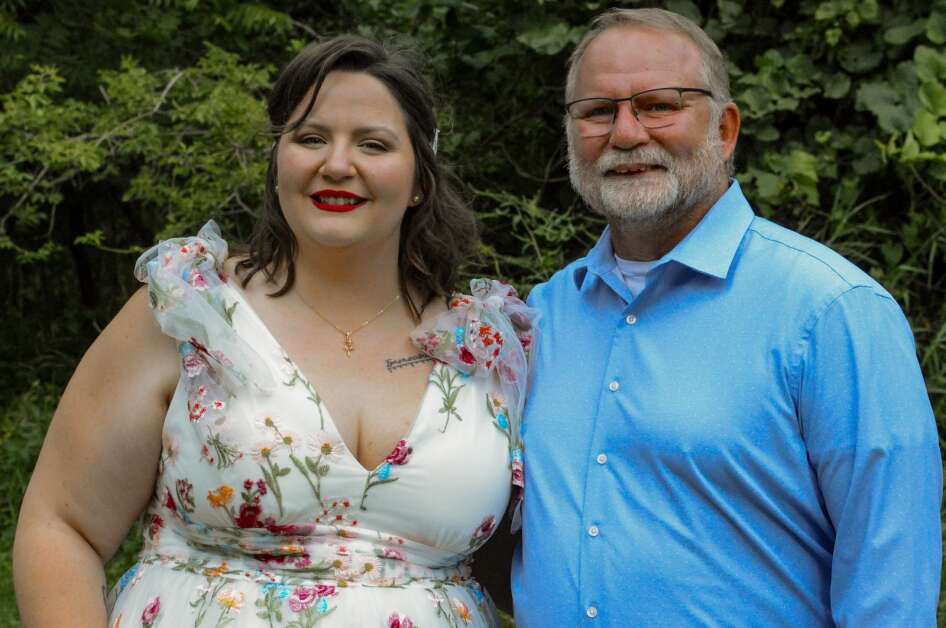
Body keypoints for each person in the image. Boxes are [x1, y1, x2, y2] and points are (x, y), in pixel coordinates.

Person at [14, 35, 535, 627]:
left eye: (373, 143)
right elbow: (62, 526)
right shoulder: (193, 310)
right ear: (278, 159)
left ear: (420, 178)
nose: (337, 164)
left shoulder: (487, 347)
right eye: (310, 138)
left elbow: (534, 564)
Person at [512, 8, 941, 626]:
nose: (627, 133)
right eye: (598, 111)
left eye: (660, 104)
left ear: (726, 128)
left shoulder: (831, 312)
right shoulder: (545, 315)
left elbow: (890, 588)